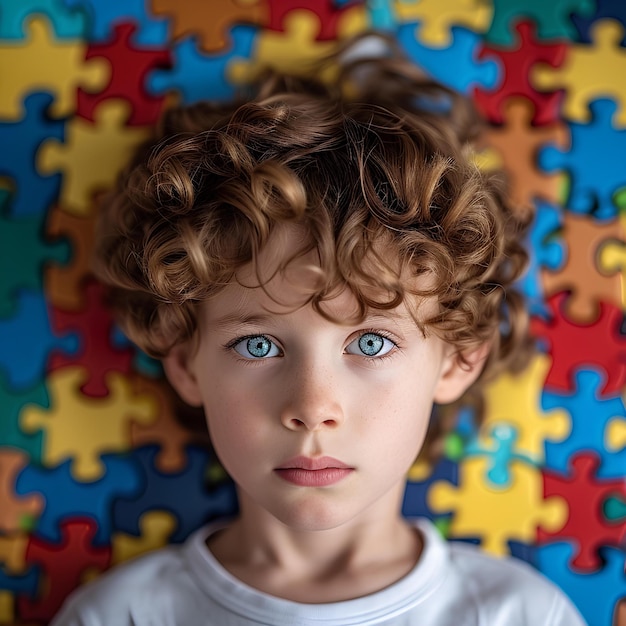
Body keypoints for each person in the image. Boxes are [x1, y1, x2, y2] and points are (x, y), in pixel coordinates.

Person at [51, 36, 586, 626]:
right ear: (183, 362)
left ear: (458, 359)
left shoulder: (521, 615)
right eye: (257, 344)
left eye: (371, 342)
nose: (312, 408)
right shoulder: (120, 616)